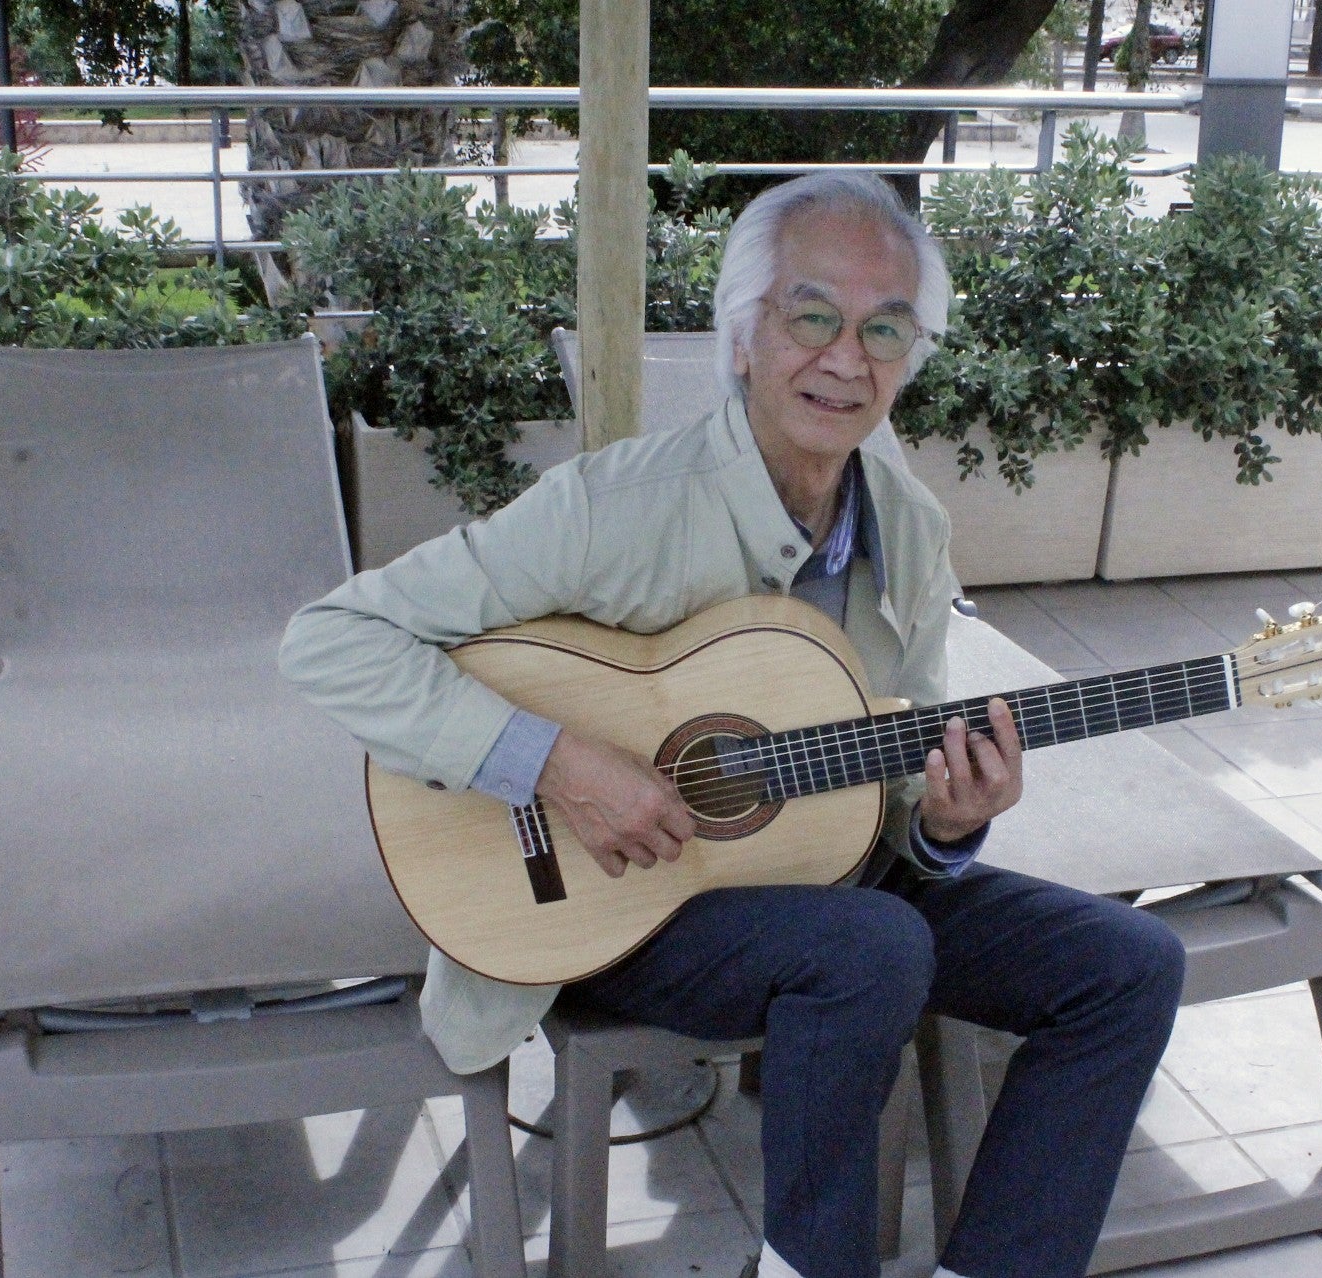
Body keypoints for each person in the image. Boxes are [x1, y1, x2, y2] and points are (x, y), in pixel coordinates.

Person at [279, 171, 1185, 1278]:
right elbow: (331, 638)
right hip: (616, 904)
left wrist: (949, 825)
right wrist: (556, 761)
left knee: (1128, 963)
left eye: (885, 328)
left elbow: (897, 793)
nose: (846, 359)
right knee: (873, 948)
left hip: (830, 889)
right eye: (813, 316)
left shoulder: (909, 525)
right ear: (743, 334)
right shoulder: (615, 510)